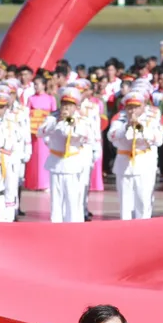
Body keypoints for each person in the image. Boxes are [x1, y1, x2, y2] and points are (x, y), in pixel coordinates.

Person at [39, 87, 97, 223]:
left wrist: (72, 126)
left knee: (72, 200)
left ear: (75, 107)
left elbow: (89, 137)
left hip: (72, 164)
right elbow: (40, 132)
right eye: (64, 104)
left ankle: (73, 227)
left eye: (70, 105)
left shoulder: (81, 119)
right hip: (55, 162)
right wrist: (58, 122)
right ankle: (56, 227)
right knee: (56, 201)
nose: (66, 108)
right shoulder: (52, 117)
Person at [107, 91, 163, 220]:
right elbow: (111, 136)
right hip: (124, 165)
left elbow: (159, 140)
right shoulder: (119, 119)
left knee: (143, 202)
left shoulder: (151, 119)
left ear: (143, 107)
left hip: (144, 165)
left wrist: (142, 129)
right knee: (125, 204)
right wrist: (127, 126)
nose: (133, 111)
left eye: (136, 107)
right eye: (130, 107)